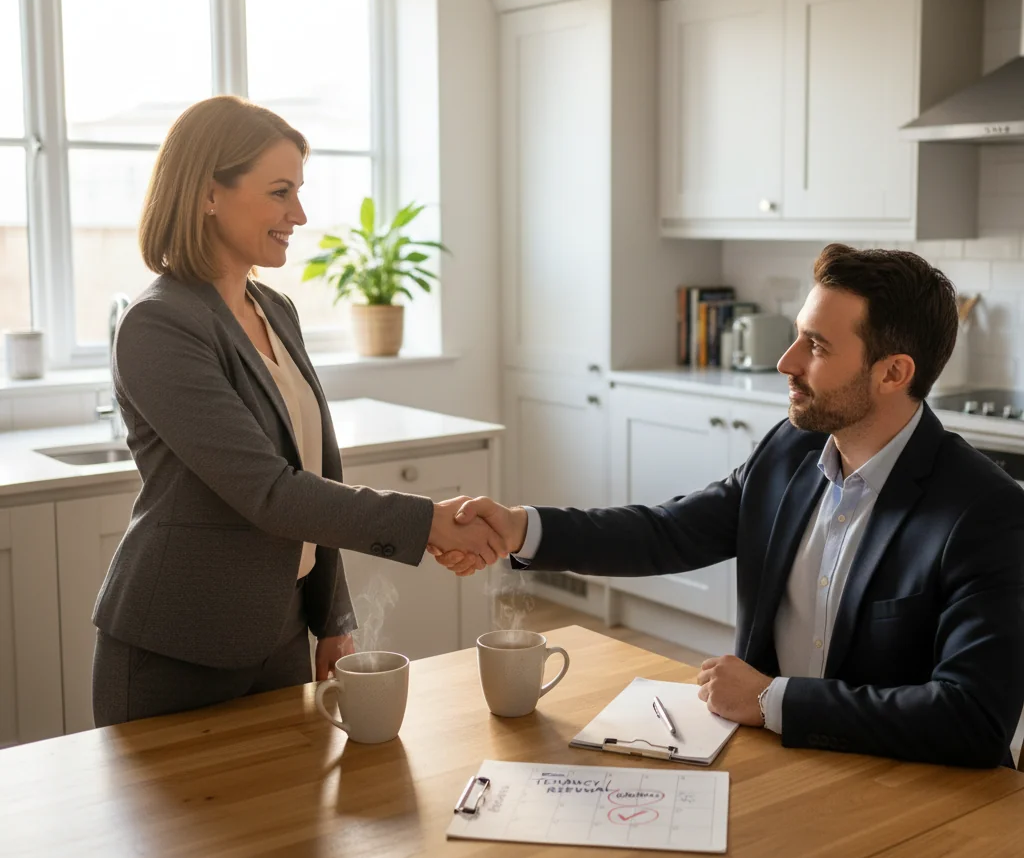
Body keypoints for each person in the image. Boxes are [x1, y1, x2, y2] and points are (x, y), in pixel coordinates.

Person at [430, 244, 1024, 768]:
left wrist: (771, 700)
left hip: (913, 795)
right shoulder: (789, 451)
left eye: (815, 346)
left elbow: (971, 719)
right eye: (798, 335)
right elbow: (667, 532)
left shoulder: (986, 512)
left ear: (893, 373)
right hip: (780, 765)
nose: (786, 362)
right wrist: (518, 529)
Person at [92, 96, 505, 726]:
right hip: (178, 648)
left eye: (299, 192)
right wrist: (427, 524)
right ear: (209, 194)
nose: (300, 214)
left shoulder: (274, 310)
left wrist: (333, 619)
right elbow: (270, 492)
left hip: (280, 636)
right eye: (281, 192)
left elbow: (317, 473)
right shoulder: (159, 325)